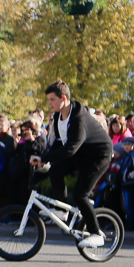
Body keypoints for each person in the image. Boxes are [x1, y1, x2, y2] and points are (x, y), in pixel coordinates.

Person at [31, 80, 113, 248]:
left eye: (52, 100)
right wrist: (43, 157)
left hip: (98, 156)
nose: (49, 104)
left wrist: (45, 158)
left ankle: (96, 234)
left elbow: (69, 149)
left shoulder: (79, 120)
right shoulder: (58, 116)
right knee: (55, 171)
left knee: (80, 194)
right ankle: (62, 211)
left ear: (63, 99)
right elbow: (59, 142)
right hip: (81, 153)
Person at [119, 136, 134, 230]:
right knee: (126, 205)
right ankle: (129, 222)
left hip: (130, 184)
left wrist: (128, 176)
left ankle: (131, 224)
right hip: (125, 184)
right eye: (125, 144)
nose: (126, 146)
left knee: (130, 204)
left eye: (129, 145)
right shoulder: (126, 155)